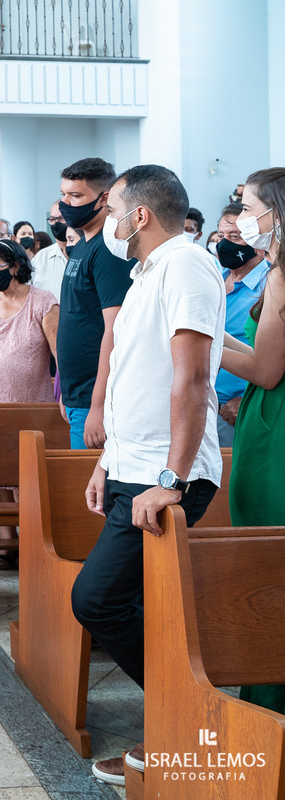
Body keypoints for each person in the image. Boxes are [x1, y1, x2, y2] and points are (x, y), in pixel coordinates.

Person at [69, 165, 224, 787]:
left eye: (112, 211)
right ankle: (178, 721)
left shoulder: (186, 265)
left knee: (97, 599)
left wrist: (171, 479)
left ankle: (188, 720)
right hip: (135, 467)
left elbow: (192, 378)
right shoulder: (149, 272)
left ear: (140, 216)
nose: (106, 222)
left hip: (168, 474)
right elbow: (138, 373)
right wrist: (109, 461)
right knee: (129, 604)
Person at [220, 167, 285, 715]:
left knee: (267, 558)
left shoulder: (282, 273)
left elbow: (265, 370)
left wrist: (200, 333)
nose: (243, 219)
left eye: (249, 207)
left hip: (274, 423)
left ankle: (268, 702)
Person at [0, 239, 60, 569]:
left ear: (16, 266)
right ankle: (8, 539)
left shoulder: (43, 303)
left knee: (23, 474)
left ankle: (31, 537)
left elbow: (58, 354)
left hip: (28, 402)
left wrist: (64, 397)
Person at [56, 157, 135, 449]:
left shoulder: (108, 250)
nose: (66, 203)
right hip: (79, 395)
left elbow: (114, 329)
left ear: (104, 198)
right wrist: (67, 390)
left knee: (93, 494)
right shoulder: (83, 244)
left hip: (96, 398)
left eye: (76, 196)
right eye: (64, 194)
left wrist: (98, 406)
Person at [212, 202, 271, 446]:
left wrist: (247, 400)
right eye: (221, 236)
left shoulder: (270, 286)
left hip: (238, 411)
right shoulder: (215, 278)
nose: (224, 244)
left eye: (235, 237)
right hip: (203, 406)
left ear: (257, 246)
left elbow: (274, 357)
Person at [30, 200, 70, 302]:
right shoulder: (41, 258)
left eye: (61, 218)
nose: (56, 223)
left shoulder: (86, 253)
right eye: (52, 219)